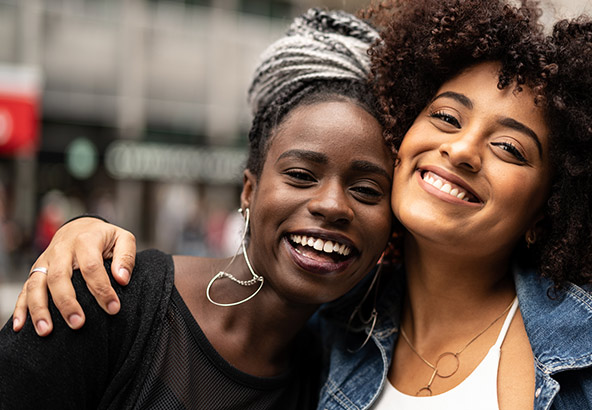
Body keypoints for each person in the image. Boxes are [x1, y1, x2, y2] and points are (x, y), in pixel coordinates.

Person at [11, 0, 592, 408]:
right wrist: (84, 232)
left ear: (548, 205)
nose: (462, 150)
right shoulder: (329, 337)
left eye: (510, 149)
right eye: (445, 117)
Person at [0, 9, 394, 409]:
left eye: (366, 190)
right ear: (248, 190)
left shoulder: (336, 379)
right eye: (301, 175)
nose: (331, 205)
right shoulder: (102, 297)